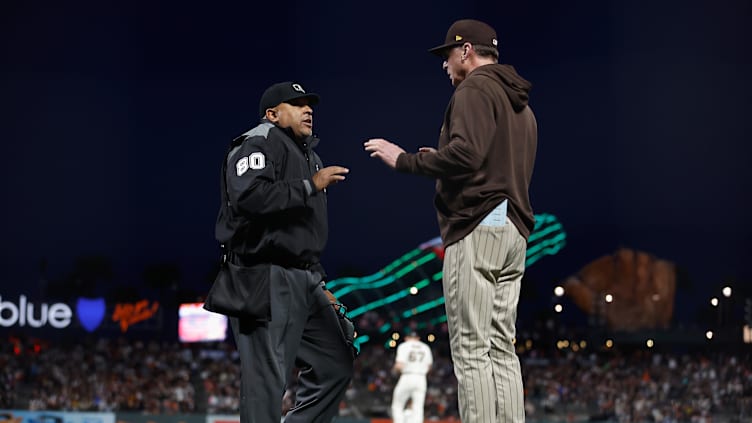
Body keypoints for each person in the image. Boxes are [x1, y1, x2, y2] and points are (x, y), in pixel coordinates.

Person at [364, 19, 537, 423]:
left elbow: (468, 155)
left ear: (466, 51)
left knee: (472, 347)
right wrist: (444, 159)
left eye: (447, 55)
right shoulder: (522, 104)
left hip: (478, 223)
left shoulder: (474, 88)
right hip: (513, 229)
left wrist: (407, 160)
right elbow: (484, 160)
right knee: (500, 347)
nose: (444, 65)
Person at [214, 81, 354, 423]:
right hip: (262, 273)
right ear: (272, 114)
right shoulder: (257, 142)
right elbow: (249, 197)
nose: (308, 110)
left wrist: (319, 280)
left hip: (304, 276)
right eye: (297, 104)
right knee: (266, 380)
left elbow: (304, 229)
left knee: (335, 362)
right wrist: (310, 185)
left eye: (310, 105)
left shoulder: (309, 155)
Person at [390, 331, 433, 423]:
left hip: (407, 376)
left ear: (406, 338)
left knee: (397, 405)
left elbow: (399, 365)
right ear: (418, 338)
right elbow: (429, 367)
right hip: (421, 378)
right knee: (418, 407)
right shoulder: (425, 347)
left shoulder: (404, 346)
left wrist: (393, 372)